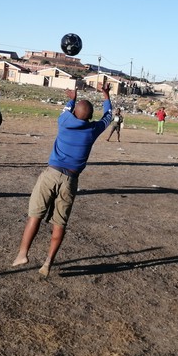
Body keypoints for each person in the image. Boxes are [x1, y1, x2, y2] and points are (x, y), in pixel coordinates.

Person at [12, 84, 112, 277]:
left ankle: (23, 253)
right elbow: (108, 116)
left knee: (35, 215)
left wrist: (72, 97)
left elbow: (66, 109)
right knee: (60, 222)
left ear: (74, 112)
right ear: (90, 117)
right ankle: (48, 262)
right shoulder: (93, 130)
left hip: (51, 174)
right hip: (70, 180)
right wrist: (106, 94)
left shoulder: (65, 121)